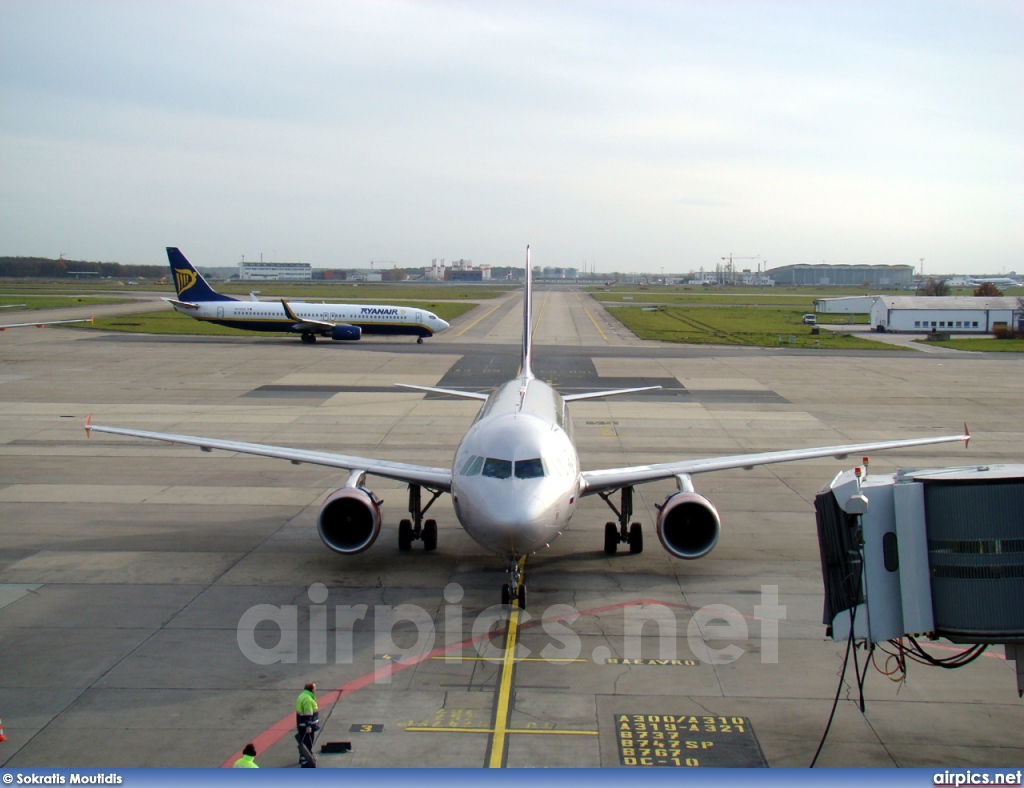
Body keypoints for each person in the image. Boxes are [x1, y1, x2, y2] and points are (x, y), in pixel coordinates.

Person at [295, 682, 319, 768]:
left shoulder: (302, 696)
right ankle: (306, 762)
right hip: (307, 726)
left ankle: (302, 758)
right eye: (314, 688)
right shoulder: (308, 699)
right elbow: (308, 714)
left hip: (301, 724)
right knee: (308, 744)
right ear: (311, 689)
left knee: (303, 742)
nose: (315, 689)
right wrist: (308, 726)